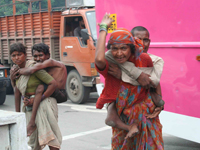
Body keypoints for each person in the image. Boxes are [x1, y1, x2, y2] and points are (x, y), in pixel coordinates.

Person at [95, 14, 164, 149]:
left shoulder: (148, 60)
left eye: (123, 48)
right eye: (115, 48)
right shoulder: (111, 64)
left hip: (147, 116)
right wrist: (103, 28)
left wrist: (159, 103)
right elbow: (99, 59)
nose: (119, 53)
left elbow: (154, 82)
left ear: (131, 48)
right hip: (124, 118)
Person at [10, 42, 62, 150]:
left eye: (19, 54)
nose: (16, 58)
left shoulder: (33, 68)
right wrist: (17, 115)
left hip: (44, 104)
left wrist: (41, 97)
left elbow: (53, 84)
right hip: (29, 106)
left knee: (50, 138)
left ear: (25, 55)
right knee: (34, 141)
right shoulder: (15, 70)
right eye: (13, 55)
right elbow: (17, 90)